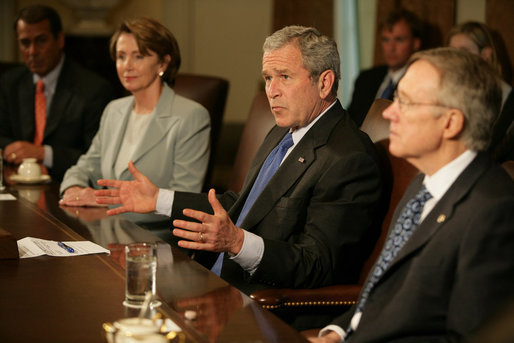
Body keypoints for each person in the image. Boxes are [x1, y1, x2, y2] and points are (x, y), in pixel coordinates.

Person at [95, 25, 386, 295]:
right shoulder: (283, 131)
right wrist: (158, 198)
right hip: (212, 276)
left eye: (284, 76)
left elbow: (317, 265)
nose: (272, 91)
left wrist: (237, 243)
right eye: (268, 78)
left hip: (260, 301)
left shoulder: (348, 159)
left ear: (324, 83)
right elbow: (242, 204)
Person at [309, 47, 514, 343]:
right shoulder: (422, 185)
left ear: (451, 122)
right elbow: (384, 290)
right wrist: (337, 333)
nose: (389, 111)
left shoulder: (495, 211)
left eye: (405, 102)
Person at [59, 17, 211, 224]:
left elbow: (183, 199)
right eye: (121, 57)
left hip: (159, 242)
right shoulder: (114, 110)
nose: (126, 66)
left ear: (163, 63)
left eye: (138, 56)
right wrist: (74, 190)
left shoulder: (192, 117)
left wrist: (103, 202)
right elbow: (87, 165)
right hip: (108, 230)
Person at [0, 4, 116, 181]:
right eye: (25, 43)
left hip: (65, 185)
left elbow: (98, 157)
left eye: (41, 40)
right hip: (15, 181)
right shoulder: (10, 83)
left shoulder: (94, 89)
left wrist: (44, 154)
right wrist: (20, 154)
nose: (32, 51)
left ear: (60, 40)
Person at [447, 21, 514, 162]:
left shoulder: (504, 96)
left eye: (463, 52)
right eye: (452, 52)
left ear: (486, 54)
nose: (456, 58)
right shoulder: (445, 91)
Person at [347, 8, 422, 126]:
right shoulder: (366, 78)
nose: (391, 48)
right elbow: (349, 120)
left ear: (416, 43)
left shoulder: (420, 82)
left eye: (399, 39)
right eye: (386, 40)